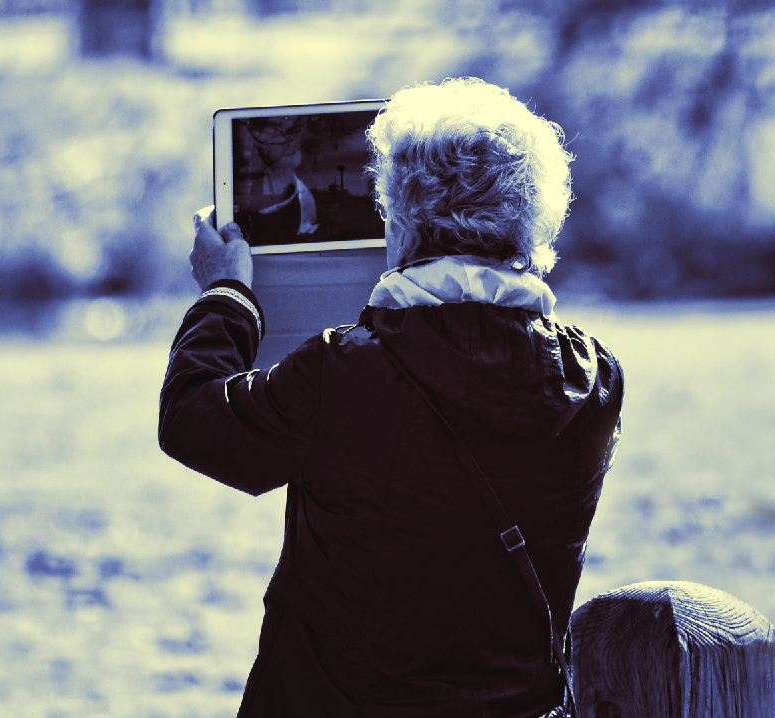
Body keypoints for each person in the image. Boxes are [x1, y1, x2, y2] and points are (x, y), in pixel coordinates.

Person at [159, 78, 623, 718]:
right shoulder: (593, 382)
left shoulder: (340, 372)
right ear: (535, 215)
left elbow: (192, 420)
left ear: (400, 217)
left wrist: (226, 296)